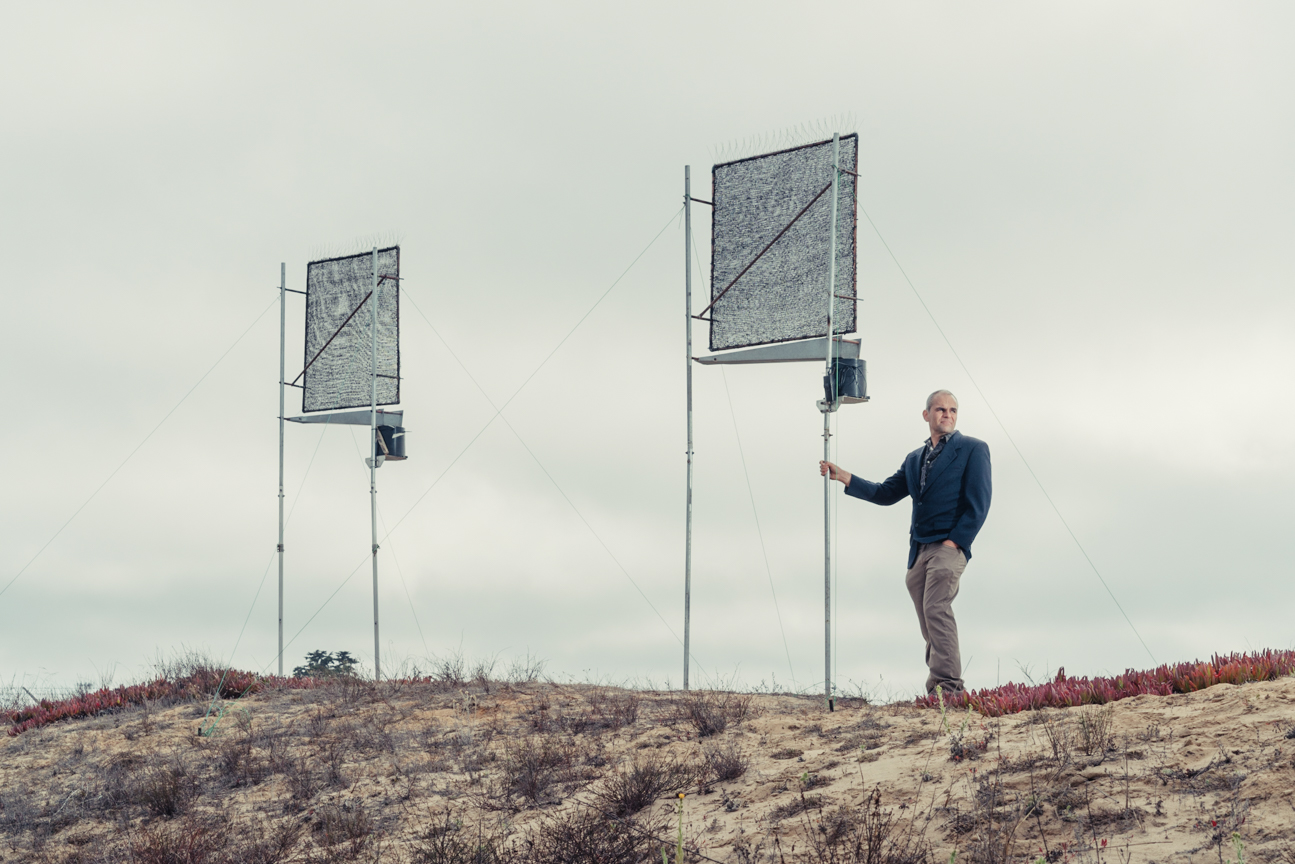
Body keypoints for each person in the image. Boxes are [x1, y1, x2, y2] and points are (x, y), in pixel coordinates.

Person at [819, 390, 991, 694]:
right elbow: (886, 493)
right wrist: (845, 477)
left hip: (948, 547)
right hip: (918, 550)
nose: (947, 414)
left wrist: (956, 543)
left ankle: (950, 688)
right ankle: (938, 687)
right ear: (927, 415)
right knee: (928, 619)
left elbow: (979, 503)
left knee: (937, 609)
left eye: (952, 410)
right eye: (940, 409)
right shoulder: (915, 459)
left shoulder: (973, 449)